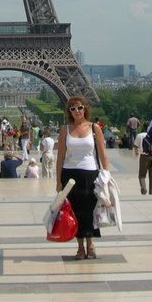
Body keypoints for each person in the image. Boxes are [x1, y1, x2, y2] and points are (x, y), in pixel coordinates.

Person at [55, 95, 110, 260]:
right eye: (73, 108)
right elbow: (60, 157)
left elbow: (102, 153)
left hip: (90, 174)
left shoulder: (94, 128)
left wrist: (106, 175)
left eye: (79, 107)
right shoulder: (65, 129)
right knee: (75, 212)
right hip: (70, 176)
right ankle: (80, 247)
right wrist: (58, 181)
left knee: (90, 211)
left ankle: (90, 244)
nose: (77, 111)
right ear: (69, 111)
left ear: (85, 108)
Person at [133, 126, 152, 195]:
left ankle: (143, 188)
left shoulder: (139, 135)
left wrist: (137, 153)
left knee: (142, 175)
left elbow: (136, 146)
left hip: (143, 156)